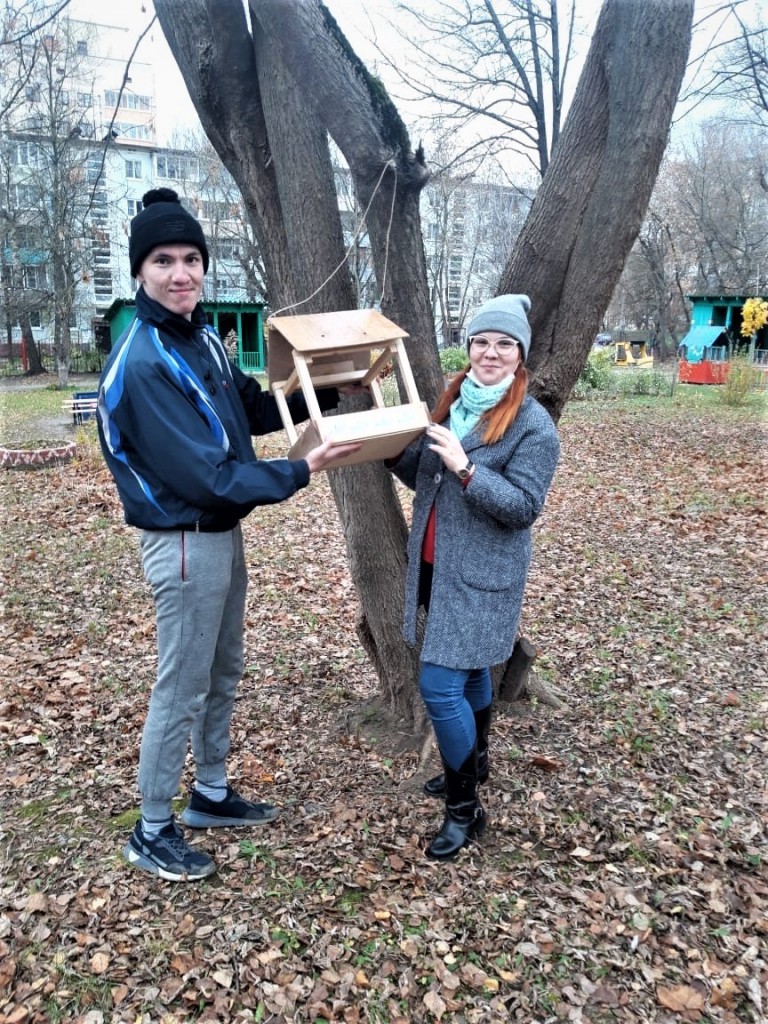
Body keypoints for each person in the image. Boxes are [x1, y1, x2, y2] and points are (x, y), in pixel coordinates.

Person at [97, 187, 361, 882]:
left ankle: (209, 792)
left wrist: (326, 391)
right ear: (139, 271)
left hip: (219, 534)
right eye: (163, 261)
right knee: (182, 683)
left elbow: (251, 408)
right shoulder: (144, 361)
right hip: (185, 539)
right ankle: (152, 829)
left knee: (221, 667)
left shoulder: (203, 336)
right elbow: (207, 479)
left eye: (191, 259)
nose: (181, 273)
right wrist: (302, 468)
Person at [388, 294, 560, 860]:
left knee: (440, 685)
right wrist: (393, 453)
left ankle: (466, 810)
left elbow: (523, 507)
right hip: (435, 565)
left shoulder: (533, 425)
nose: (491, 352)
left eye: (504, 344)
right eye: (481, 341)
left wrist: (466, 469)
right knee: (469, 675)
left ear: (520, 355)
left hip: (483, 575)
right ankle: (475, 764)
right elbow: (427, 478)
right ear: (468, 348)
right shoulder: (453, 402)